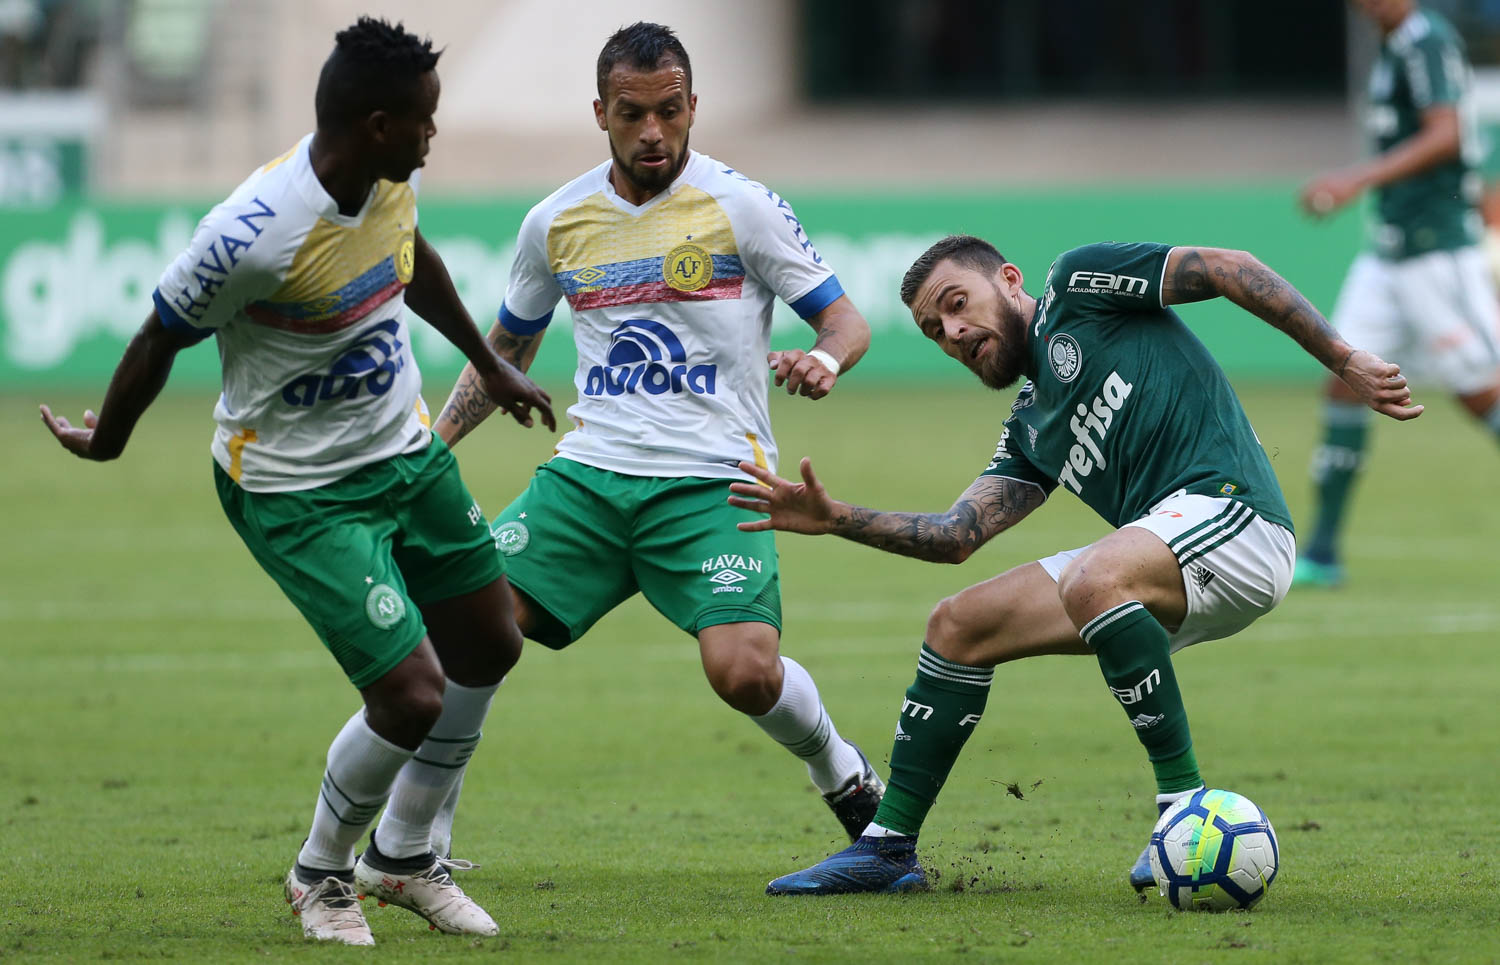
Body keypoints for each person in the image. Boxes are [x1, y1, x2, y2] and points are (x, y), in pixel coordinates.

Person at [39, 18, 555, 945]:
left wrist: (491, 361)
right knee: (411, 693)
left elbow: (411, 259)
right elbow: (158, 334)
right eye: (425, 121)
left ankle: (402, 861)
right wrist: (107, 440)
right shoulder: (250, 235)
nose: (435, 135)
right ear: (375, 124)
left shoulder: (391, 180)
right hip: (294, 486)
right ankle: (321, 873)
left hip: (401, 450)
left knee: (491, 644)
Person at [726, 235, 1421, 894]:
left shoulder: (1080, 286)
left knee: (1095, 575)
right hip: (1161, 551)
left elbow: (1226, 267)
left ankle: (1182, 804)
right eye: (934, 330)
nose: (953, 332)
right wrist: (834, 518)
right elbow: (954, 534)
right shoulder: (1031, 424)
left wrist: (1344, 357)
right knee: (958, 625)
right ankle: (886, 847)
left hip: (1238, 520)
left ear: (1008, 279)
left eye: (956, 302)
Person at [431, 22, 883, 850]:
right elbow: (508, 351)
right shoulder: (556, 221)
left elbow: (846, 319)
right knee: (468, 633)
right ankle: (415, 842)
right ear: (599, 111)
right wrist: (432, 446)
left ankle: (843, 772)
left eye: (670, 112)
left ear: (693, 106)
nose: (653, 133)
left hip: (715, 481)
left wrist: (824, 358)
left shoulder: (742, 205)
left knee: (744, 673)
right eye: (632, 114)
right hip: (590, 478)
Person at [1296, 0, 1500, 587]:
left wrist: (1356, 177)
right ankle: (1325, 551)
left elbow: (1447, 135)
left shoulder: (1426, 41)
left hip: (1436, 252)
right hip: (1389, 254)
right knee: (1344, 378)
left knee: (1479, 392)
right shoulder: (1394, 46)